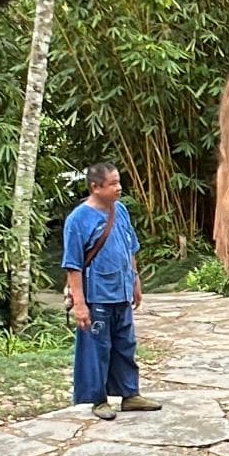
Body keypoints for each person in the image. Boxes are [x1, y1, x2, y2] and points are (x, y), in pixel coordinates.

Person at [62, 163, 161, 421]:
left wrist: (135, 281)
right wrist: (80, 304)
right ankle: (98, 399)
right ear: (95, 187)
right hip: (96, 296)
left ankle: (130, 394)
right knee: (97, 348)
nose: (119, 188)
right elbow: (73, 266)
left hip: (121, 291)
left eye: (119, 182)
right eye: (113, 184)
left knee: (125, 345)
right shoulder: (78, 220)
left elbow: (130, 248)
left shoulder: (121, 211)